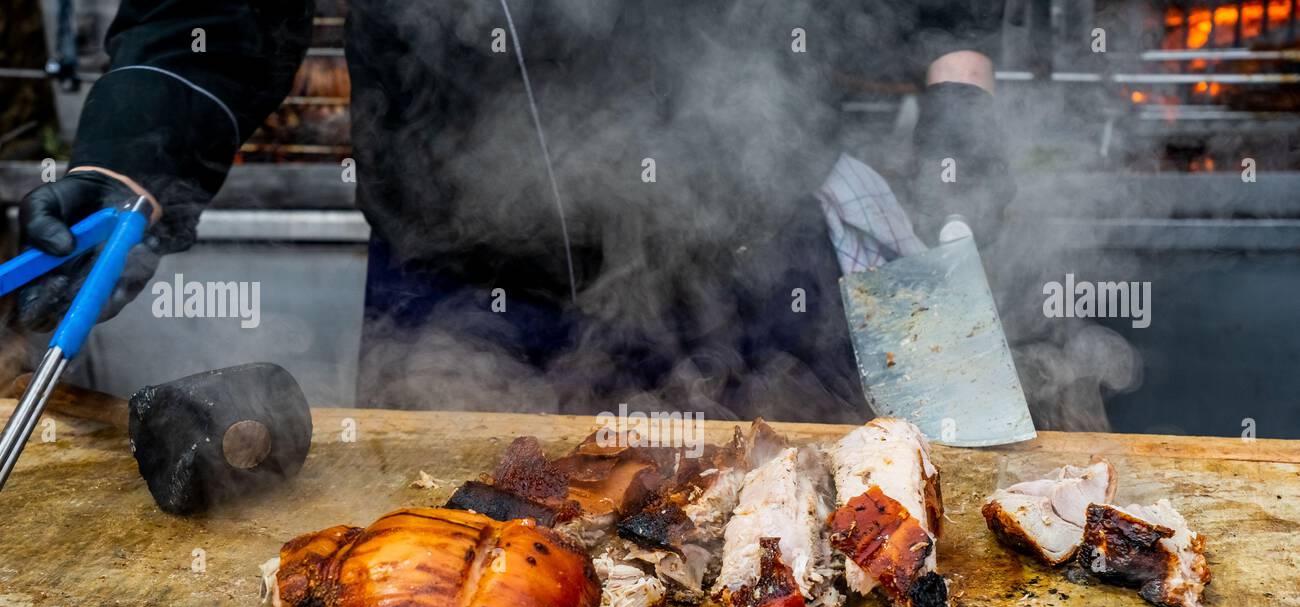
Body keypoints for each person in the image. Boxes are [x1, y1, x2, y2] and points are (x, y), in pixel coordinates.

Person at [15, 1, 1013, 423]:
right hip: (465, 312)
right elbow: (211, 14)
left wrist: (958, 82)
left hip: (759, 281)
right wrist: (130, 160)